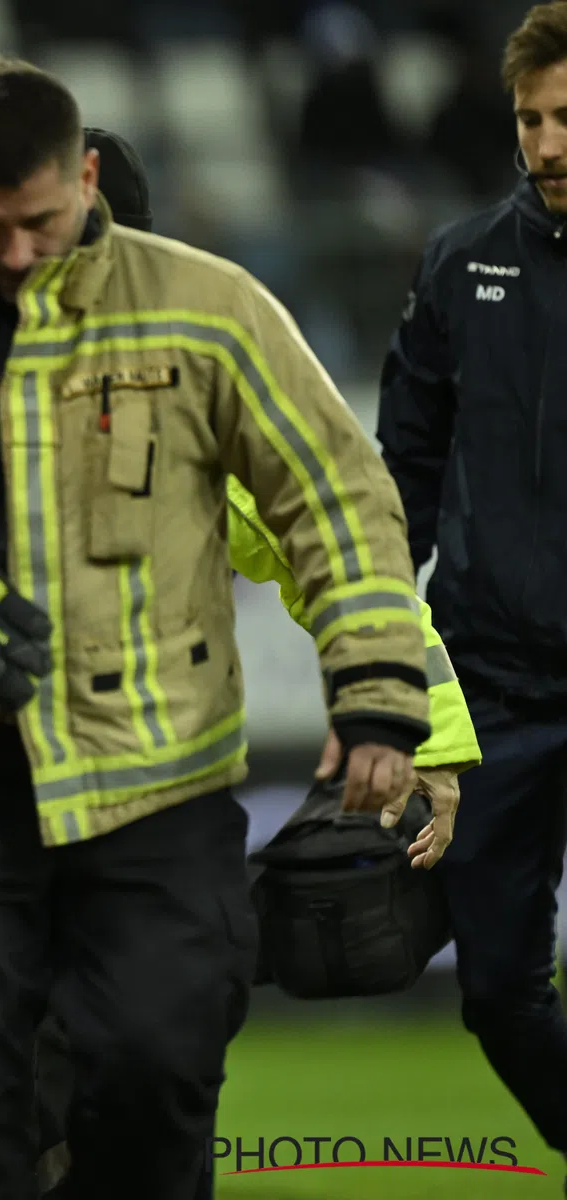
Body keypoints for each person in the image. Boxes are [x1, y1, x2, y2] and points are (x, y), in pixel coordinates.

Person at [0, 64, 432, 1197]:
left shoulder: (206, 310)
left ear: (85, 177)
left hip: (153, 780)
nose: (16, 252)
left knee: (156, 1066)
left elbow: (334, 494)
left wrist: (376, 687)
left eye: (39, 220)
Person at [378, 0, 567, 1160]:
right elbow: (399, 481)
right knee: (497, 990)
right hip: (492, 690)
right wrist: (376, 655)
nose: (548, 145)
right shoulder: (463, 263)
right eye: (531, 118)